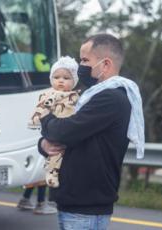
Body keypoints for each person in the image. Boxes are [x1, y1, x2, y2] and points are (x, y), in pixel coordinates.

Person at [38, 34, 145, 230]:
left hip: (85, 208)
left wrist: (44, 117)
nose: (80, 66)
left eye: (85, 60)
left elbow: (63, 131)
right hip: (75, 202)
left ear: (105, 64)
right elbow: (65, 134)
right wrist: (44, 144)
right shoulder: (89, 96)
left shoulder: (110, 98)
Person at [28, 56, 80, 188]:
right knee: (55, 153)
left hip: (68, 128)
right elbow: (39, 109)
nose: (61, 81)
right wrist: (34, 121)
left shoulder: (75, 96)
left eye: (66, 78)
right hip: (54, 128)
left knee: (63, 153)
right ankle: (51, 174)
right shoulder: (47, 95)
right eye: (56, 78)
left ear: (74, 81)